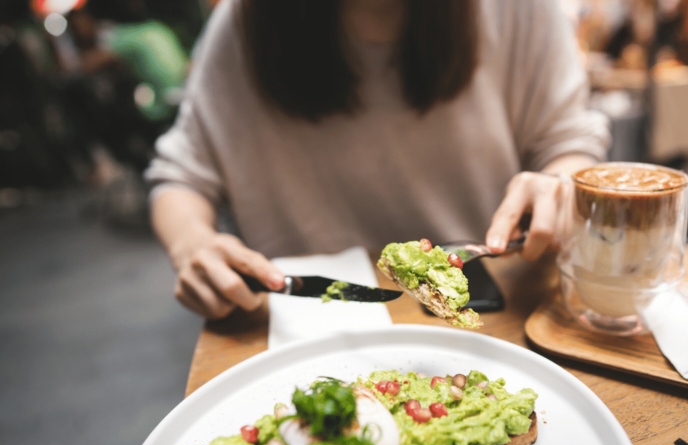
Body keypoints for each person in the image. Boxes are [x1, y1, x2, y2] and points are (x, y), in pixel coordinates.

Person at [146, 0, 610, 319]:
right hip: (304, 328)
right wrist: (194, 246)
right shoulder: (244, 25)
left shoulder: (518, 11)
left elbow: (567, 141)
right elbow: (180, 178)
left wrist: (559, 182)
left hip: (491, 315)